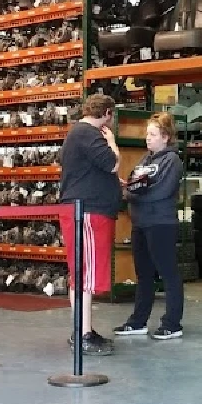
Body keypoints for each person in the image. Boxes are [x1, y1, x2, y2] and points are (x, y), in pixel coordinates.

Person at [58, 93, 121, 356]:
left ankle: (82, 330)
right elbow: (113, 163)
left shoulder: (78, 134)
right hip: (88, 213)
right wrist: (112, 142)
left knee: (81, 275)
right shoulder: (89, 133)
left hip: (82, 210)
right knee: (85, 276)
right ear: (107, 113)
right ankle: (83, 335)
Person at [114, 112, 184, 341]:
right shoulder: (146, 159)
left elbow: (161, 192)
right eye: (147, 134)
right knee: (143, 274)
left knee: (168, 273)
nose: (148, 138)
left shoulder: (171, 161)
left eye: (153, 134)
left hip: (161, 223)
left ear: (165, 137)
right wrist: (131, 191)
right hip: (141, 223)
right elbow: (134, 183)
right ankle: (138, 321)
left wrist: (133, 195)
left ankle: (172, 324)